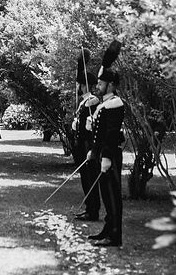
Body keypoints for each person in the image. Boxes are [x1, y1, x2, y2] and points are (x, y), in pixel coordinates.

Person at [87, 41, 125, 247]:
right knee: (106, 195)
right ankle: (107, 229)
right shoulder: (105, 103)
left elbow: (111, 134)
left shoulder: (115, 104)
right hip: (102, 153)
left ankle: (115, 235)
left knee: (112, 197)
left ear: (111, 85)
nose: (98, 86)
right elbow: (99, 135)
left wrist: (107, 157)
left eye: (101, 84)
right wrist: (93, 152)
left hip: (110, 155)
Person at [72, 69, 101, 222]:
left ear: (85, 86)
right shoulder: (84, 101)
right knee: (85, 178)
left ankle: (93, 210)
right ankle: (89, 208)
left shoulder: (92, 101)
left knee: (90, 177)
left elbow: (91, 125)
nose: (79, 87)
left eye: (80, 84)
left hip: (88, 144)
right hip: (81, 144)